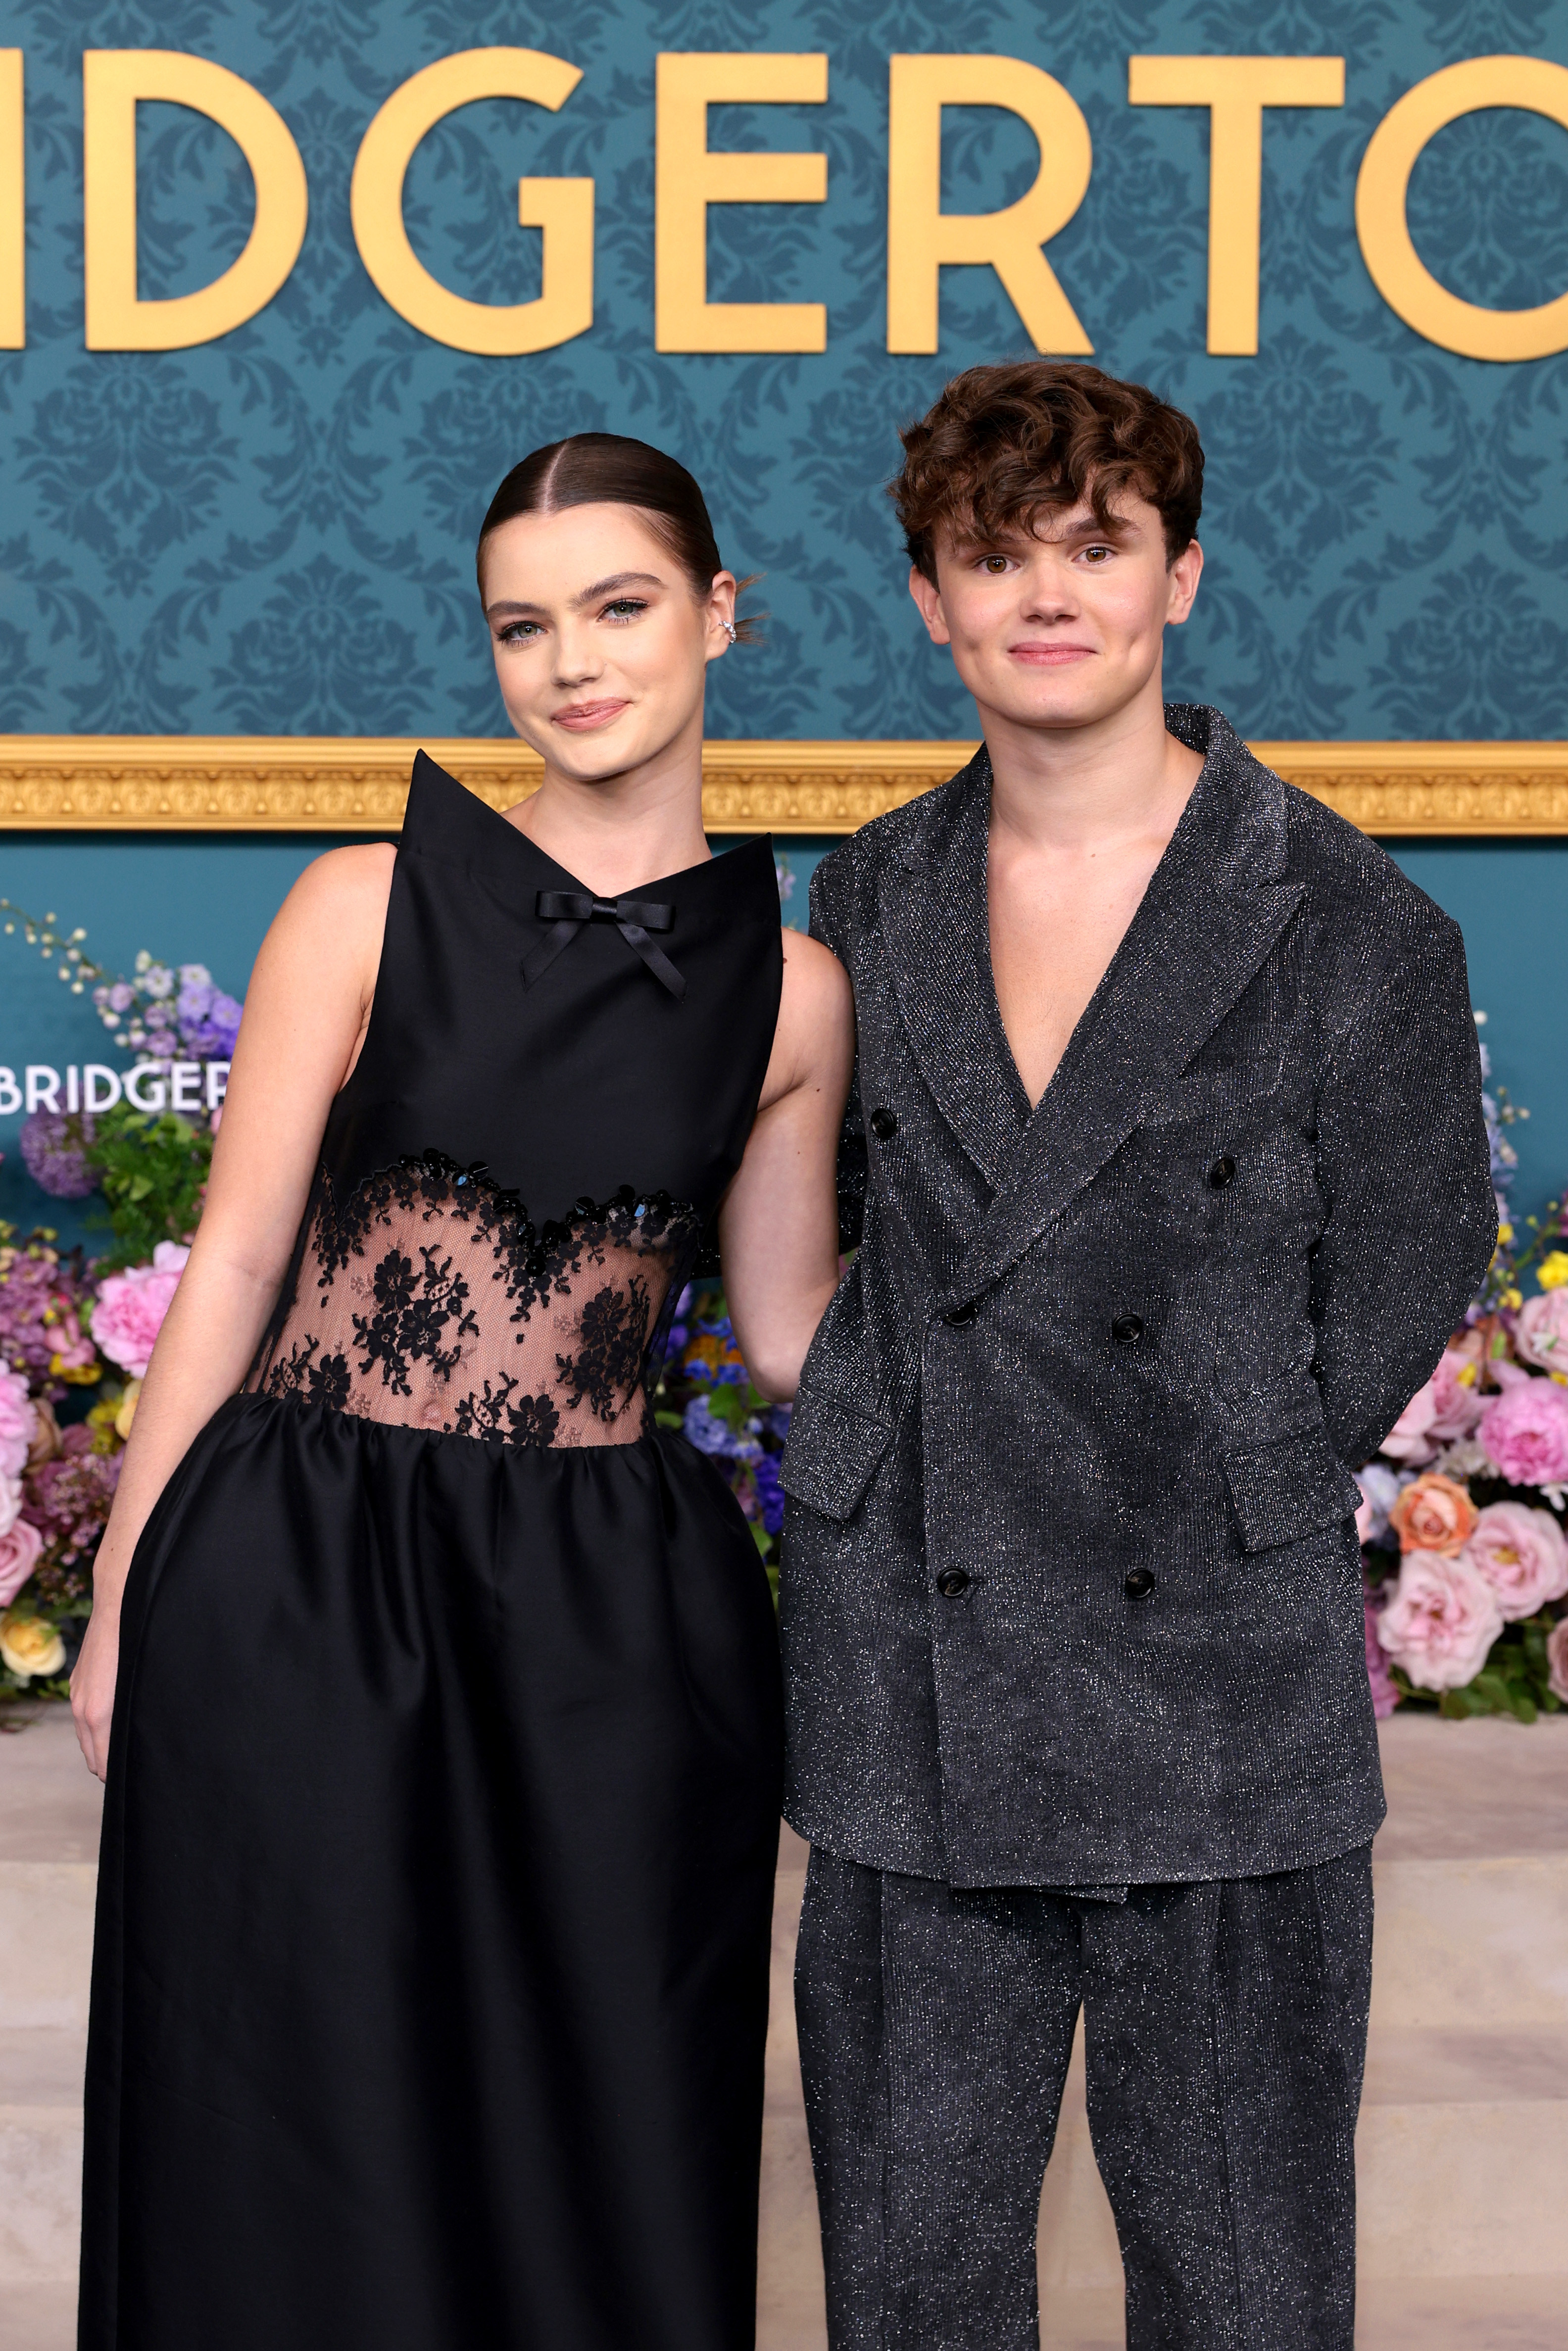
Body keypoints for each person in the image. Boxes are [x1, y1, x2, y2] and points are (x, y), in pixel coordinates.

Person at [71, 432, 853, 2351]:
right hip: (309, 1569)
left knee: (610, 2122)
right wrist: (124, 1595)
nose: (571, 662)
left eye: (619, 606)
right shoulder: (361, 902)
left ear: (719, 616)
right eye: (522, 626)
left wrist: (1091, 1316)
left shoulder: (796, 988)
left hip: (613, 1614)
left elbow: (786, 1334)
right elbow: (238, 1264)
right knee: (290, 2107)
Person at [779, 362, 1496, 2351]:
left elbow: (1412, 1256)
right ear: (928, 596)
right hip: (917, 1663)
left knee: (1247, 2288)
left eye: (1094, 546)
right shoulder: (866, 892)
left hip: (1220, 1676)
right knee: (913, 2283)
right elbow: (840, 1223)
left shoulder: (1351, 919)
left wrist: (1234, 1470)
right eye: (992, 552)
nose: (1046, 593)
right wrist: (874, 1448)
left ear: (1180, 574)